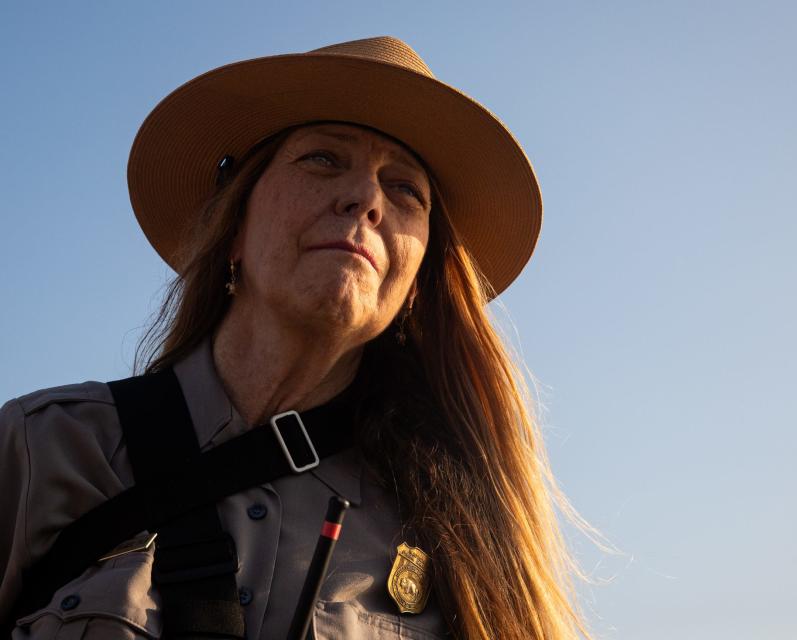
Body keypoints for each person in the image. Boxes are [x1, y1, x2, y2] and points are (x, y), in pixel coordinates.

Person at [0, 36, 590, 639]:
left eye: (405, 189)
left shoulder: (453, 540)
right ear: (234, 227)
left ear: (415, 287)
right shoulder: (44, 445)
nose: (365, 198)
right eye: (323, 160)